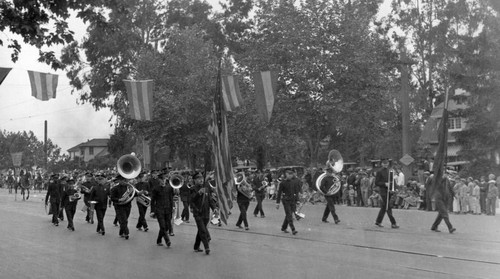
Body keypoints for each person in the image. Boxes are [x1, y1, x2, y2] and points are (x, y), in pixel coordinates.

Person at [190, 172, 216, 255]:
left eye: (201, 178)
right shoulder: (192, 189)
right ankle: (207, 247)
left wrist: (214, 208)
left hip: (206, 213)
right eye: (198, 179)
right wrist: (199, 193)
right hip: (198, 213)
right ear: (194, 180)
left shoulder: (206, 188)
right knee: (203, 231)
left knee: (201, 230)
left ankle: (196, 246)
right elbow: (192, 200)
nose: (201, 180)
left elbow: (210, 200)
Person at [374, 159, 399, 229]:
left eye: (387, 163)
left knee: (384, 207)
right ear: (382, 164)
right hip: (383, 191)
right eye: (384, 163)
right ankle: (393, 223)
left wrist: (394, 188)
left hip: (389, 191)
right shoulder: (379, 171)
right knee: (388, 207)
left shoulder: (389, 171)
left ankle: (378, 221)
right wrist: (385, 184)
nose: (385, 164)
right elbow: (377, 182)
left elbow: (392, 180)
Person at [150, 172, 173, 247]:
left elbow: (171, 199)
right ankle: (167, 240)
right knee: (162, 226)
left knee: (166, 227)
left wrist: (172, 208)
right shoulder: (155, 189)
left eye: (164, 179)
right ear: (159, 180)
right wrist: (152, 211)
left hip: (167, 209)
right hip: (159, 210)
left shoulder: (169, 188)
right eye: (161, 179)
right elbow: (153, 201)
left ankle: (159, 239)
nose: (163, 181)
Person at [276, 169, 300, 235]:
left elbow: (296, 192)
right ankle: (293, 229)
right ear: (286, 174)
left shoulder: (293, 182)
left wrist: (297, 200)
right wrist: (277, 203)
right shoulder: (282, 183)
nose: (290, 176)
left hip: (292, 200)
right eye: (289, 174)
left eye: (291, 174)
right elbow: (279, 193)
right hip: (286, 200)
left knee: (288, 214)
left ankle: (284, 227)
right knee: (289, 215)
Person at [110, 174, 135, 239]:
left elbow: (133, 195)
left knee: (125, 219)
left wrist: (139, 193)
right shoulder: (114, 188)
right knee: (124, 220)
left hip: (128, 205)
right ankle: (126, 233)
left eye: (124, 180)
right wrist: (119, 199)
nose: (124, 181)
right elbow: (112, 198)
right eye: (122, 180)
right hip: (119, 206)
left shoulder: (129, 187)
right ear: (119, 181)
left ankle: (121, 232)